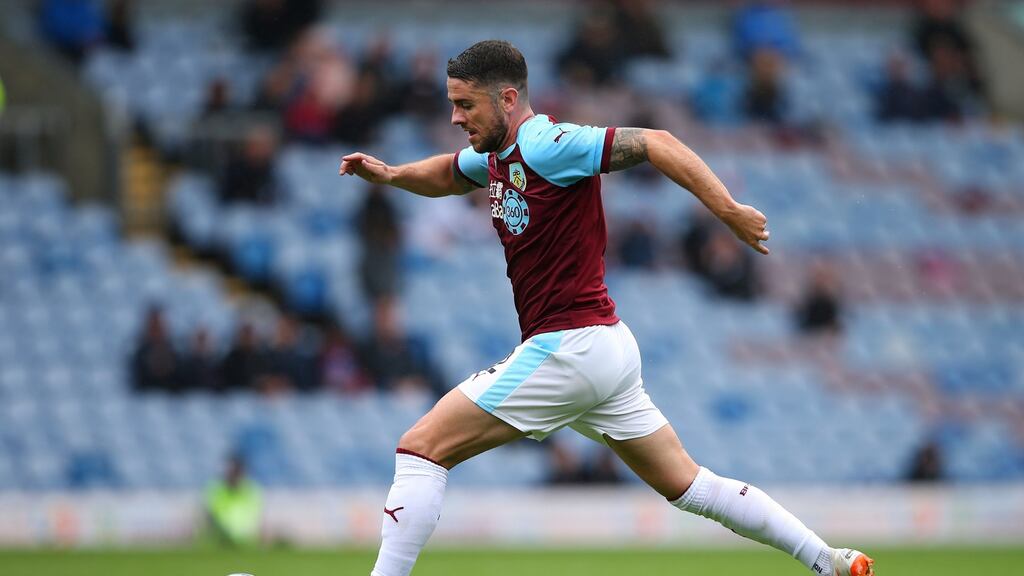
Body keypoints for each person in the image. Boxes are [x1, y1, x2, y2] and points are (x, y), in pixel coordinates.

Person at [338, 40, 874, 576]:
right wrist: (390, 175)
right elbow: (450, 175)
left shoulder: (547, 143)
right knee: (691, 485)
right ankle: (826, 560)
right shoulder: (497, 156)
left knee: (420, 448)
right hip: (604, 347)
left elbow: (656, 142)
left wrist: (728, 210)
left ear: (506, 98)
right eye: (452, 104)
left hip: (568, 345)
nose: (455, 117)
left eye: (466, 105)